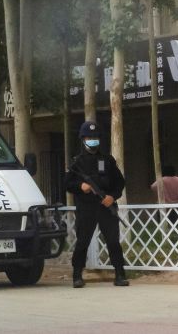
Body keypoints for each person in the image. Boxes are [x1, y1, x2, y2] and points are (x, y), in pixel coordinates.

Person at [64, 121, 129, 288]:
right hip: (86, 207)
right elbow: (67, 183)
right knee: (82, 241)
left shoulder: (107, 160)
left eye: (95, 137)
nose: (92, 140)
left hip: (106, 206)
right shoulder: (77, 162)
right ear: (83, 139)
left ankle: (120, 274)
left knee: (113, 241)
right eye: (89, 137)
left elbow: (119, 182)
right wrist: (81, 186)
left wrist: (112, 197)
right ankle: (77, 275)